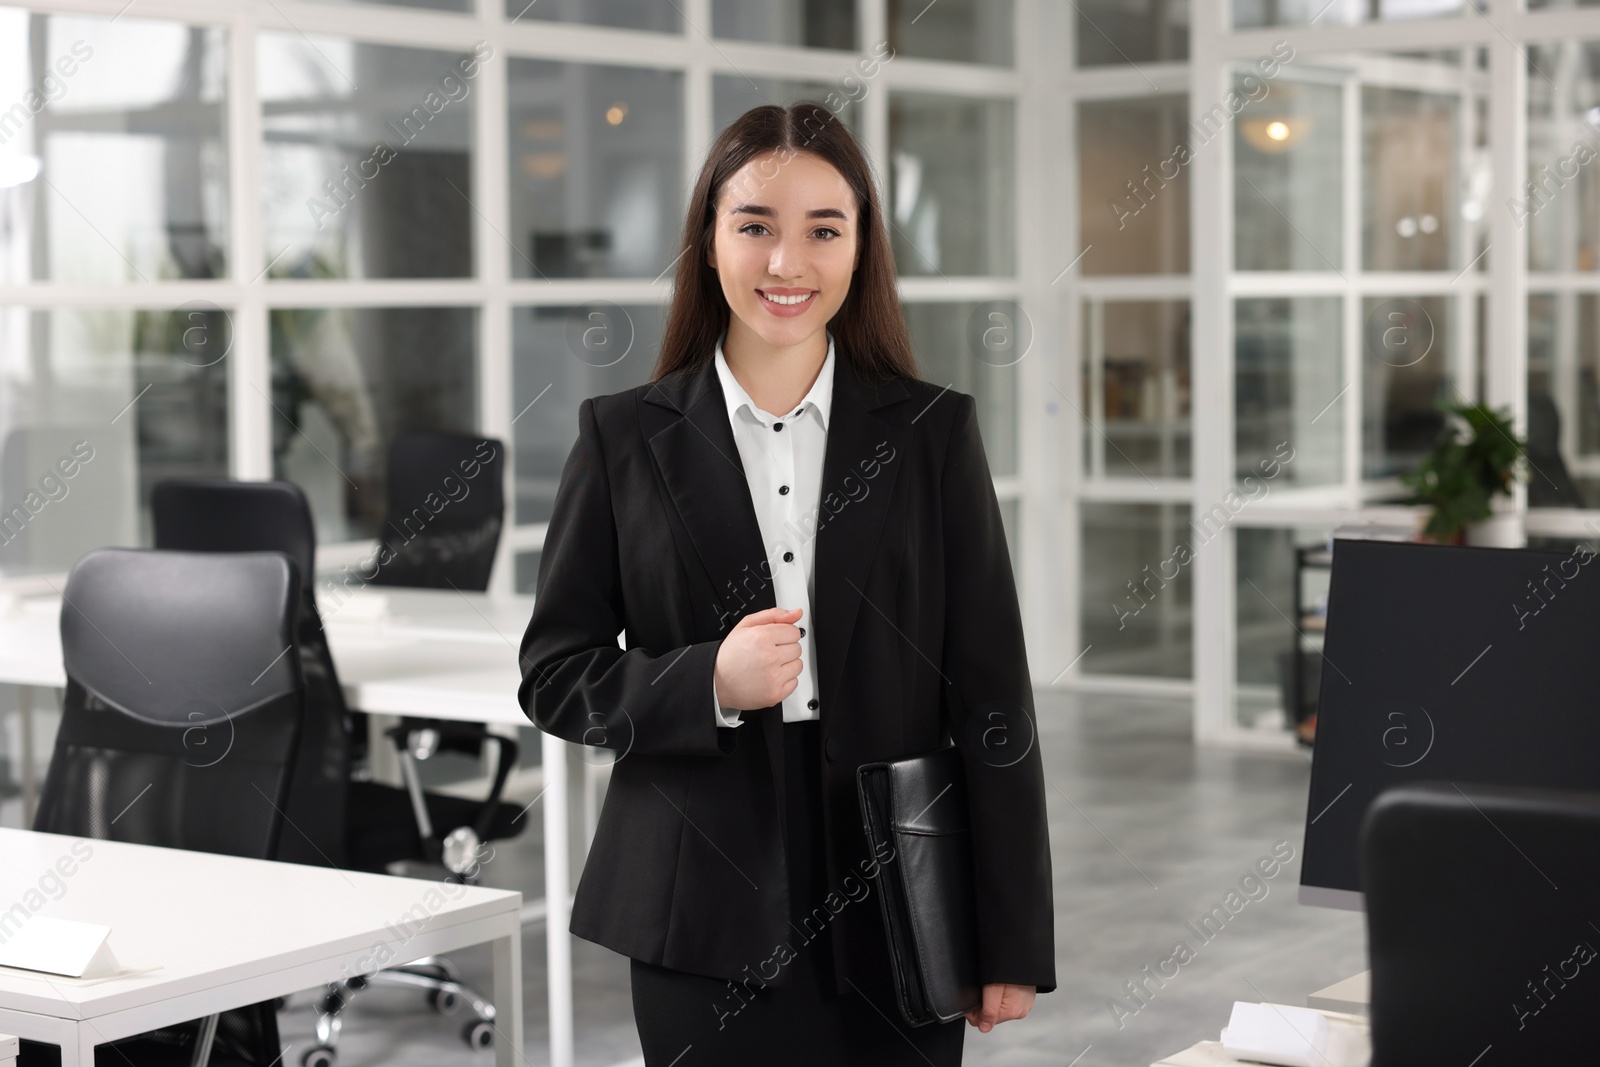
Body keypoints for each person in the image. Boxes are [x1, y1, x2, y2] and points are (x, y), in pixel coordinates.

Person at [517, 101, 1055, 1067]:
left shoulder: (932, 434)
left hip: (901, 885)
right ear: (709, 240)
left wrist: (1009, 932)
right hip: (700, 901)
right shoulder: (622, 436)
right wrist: (705, 681)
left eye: (824, 230)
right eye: (755, 225)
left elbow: (992, 697)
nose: (786, 263)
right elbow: (556, 673)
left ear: (860, 249)